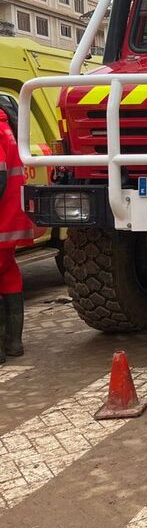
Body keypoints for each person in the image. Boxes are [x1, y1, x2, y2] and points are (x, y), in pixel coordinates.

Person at [0, 104, 32, 362]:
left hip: (1, 216)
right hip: (8, 218)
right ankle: (13, 343)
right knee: (8, 273)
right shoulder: (5, 126)